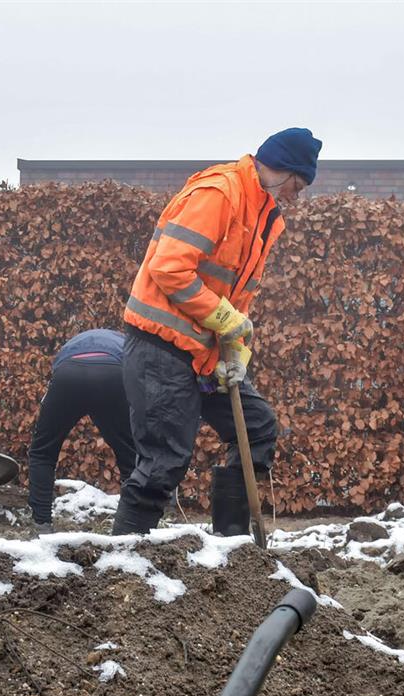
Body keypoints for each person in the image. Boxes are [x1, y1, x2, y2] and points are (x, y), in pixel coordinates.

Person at [111, 128, 322, 537]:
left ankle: (231, 547)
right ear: (279, 169)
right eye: (297, 184)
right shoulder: (221, 193)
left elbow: (235, 299)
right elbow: (169, 268)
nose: (297, 196)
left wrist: (236, 350)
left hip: (204, 354)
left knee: (259, 427)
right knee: (163, 463)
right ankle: (121, 567)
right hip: (161, 349)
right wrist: (222, 319)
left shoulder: (262, 214)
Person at [28, 330, 136, 532]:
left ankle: (41, 524)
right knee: (130, 453)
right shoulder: (127, 343)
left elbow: (56, 371)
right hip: (113, 374)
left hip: (69, 373)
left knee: (42, 452)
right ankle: (129, 526)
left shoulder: (72, 343)